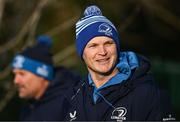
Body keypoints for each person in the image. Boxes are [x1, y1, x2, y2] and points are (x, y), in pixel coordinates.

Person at [65, 5, 176, 121]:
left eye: (108, 43)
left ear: (117, 47)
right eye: (93, 46)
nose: (102, 52)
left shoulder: (149, 95)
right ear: (82, 53)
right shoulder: (73, 97)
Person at [11, 35, 81, 121]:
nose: (16, 81)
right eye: (15, 74)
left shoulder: (70, 104)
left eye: (22, 74)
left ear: (42, 74)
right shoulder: (28, 108)